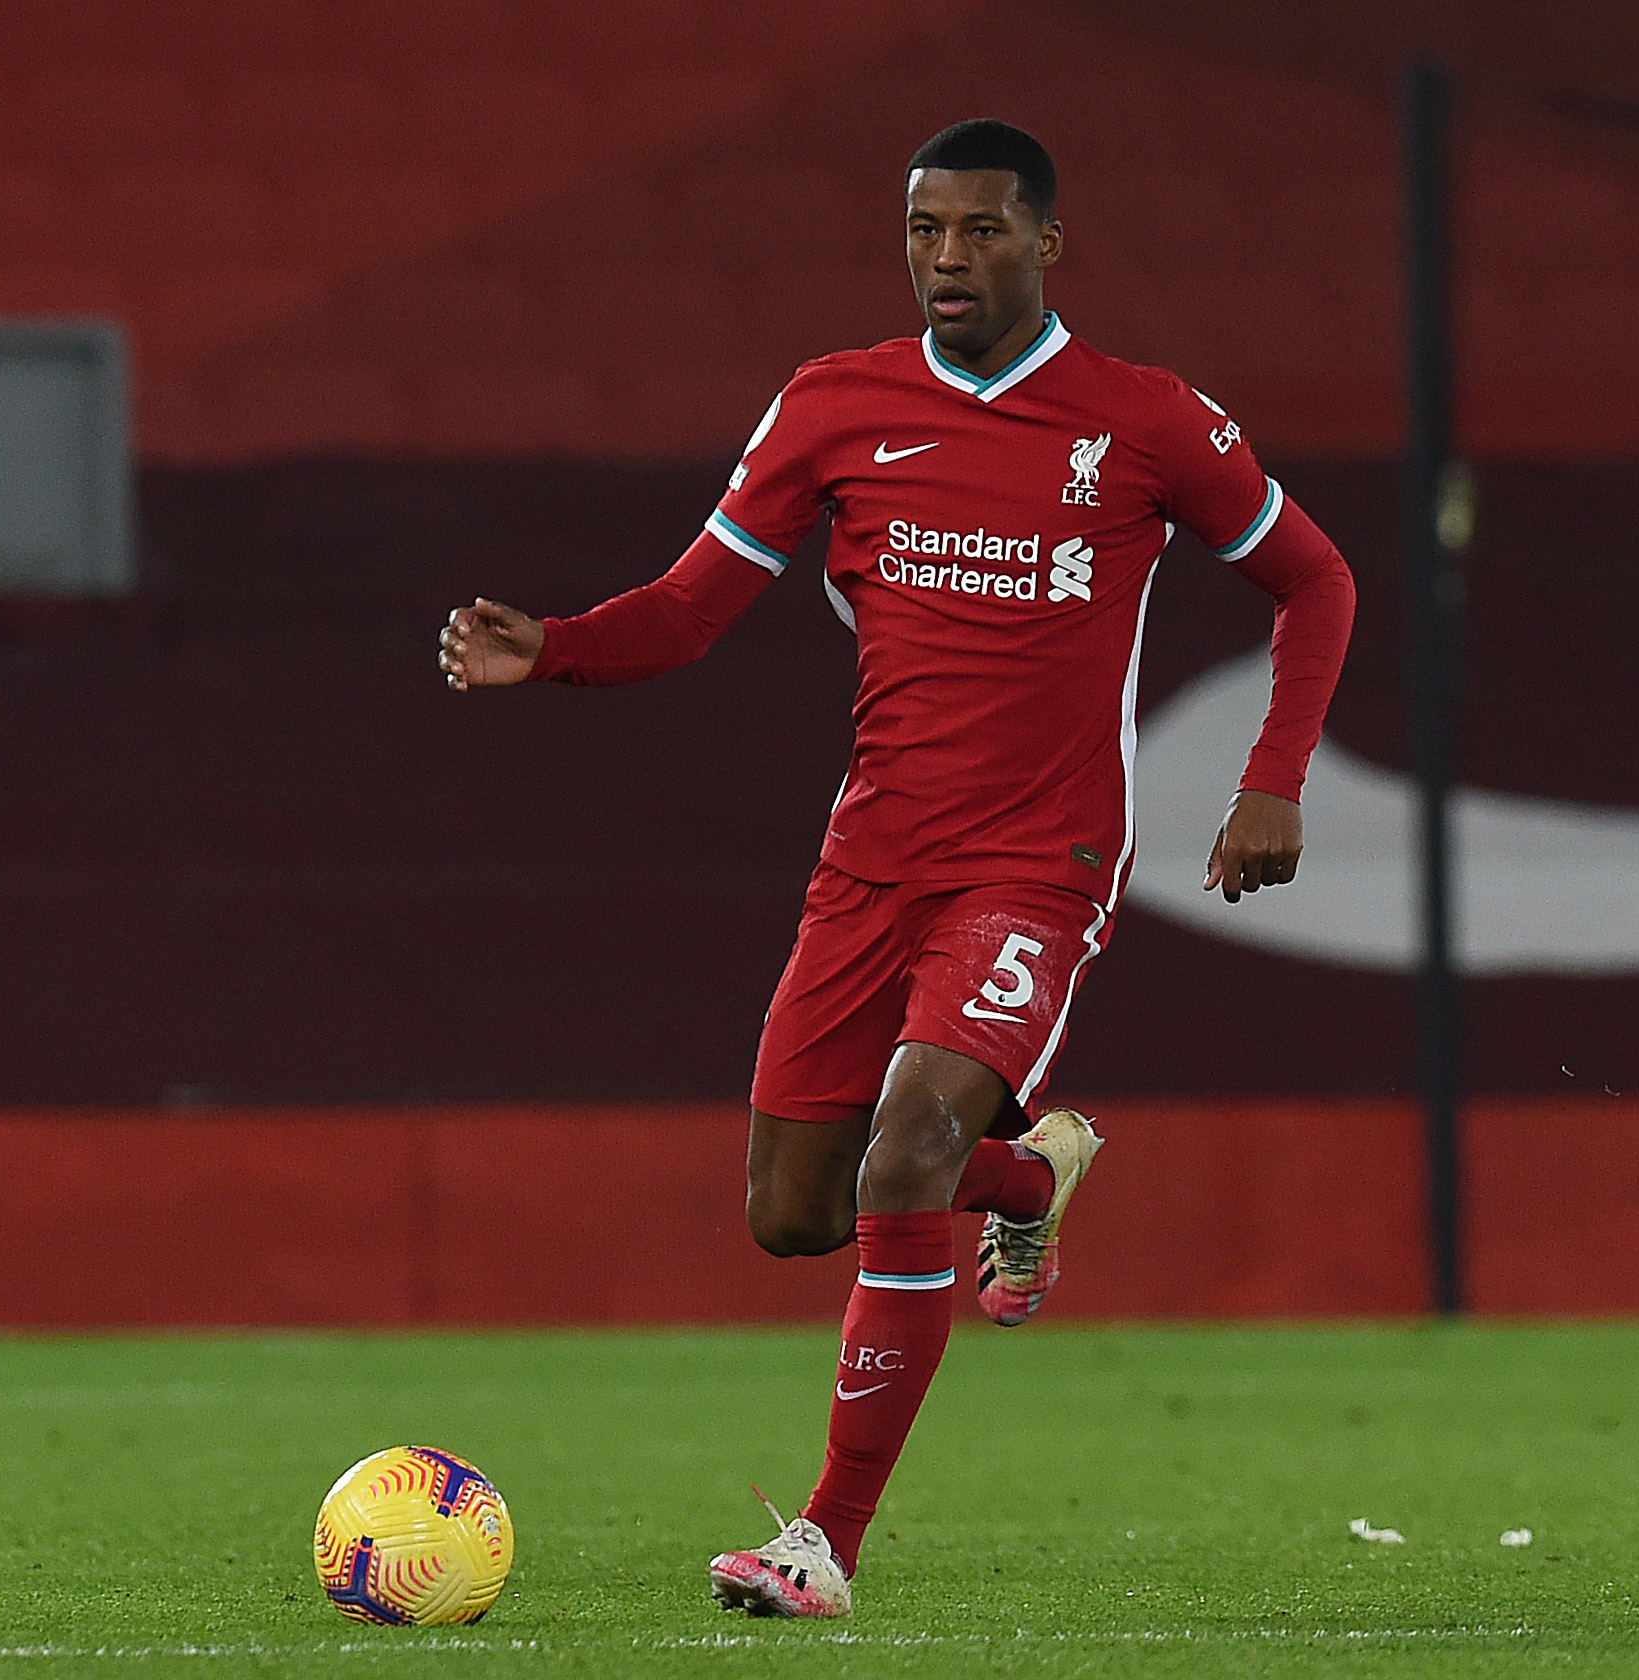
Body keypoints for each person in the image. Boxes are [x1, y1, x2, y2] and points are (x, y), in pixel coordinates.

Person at [438, 118, 1355, 1619]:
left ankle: (824, 1544)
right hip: (872, 860)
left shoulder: (1145, 421)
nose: (949, 257)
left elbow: (1315, 578)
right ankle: (1032, 1173)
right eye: (926, 230)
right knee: (795, 1210)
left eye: (983, 229)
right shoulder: (834, 404)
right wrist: (558, 650)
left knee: (908, 1150)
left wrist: (1273, 782)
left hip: (1038, 860)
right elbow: (690, 607)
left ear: (1047, 243)